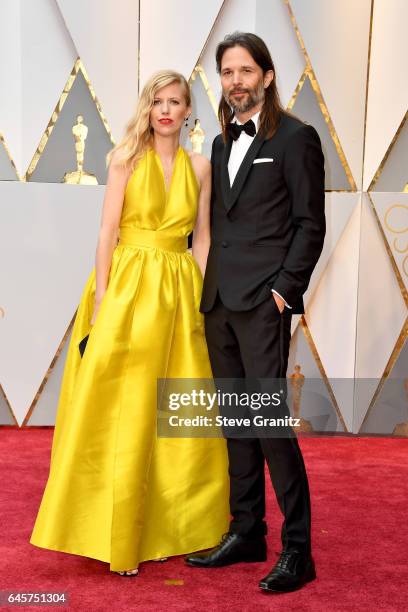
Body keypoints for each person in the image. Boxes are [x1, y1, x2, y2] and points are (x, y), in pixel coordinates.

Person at [30, 70, 230, 577]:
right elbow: (106, 232)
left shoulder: (202, 167)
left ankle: (174, 528)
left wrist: (210, 302)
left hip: (181, 292)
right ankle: (119, 534)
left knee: (178, 411)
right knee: (124, 413)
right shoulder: (123, 160)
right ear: (148, 108)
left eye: (176, 102)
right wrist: (100, 303)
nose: (166, 110)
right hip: (127, 288)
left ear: (189, 112)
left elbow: (201, 240)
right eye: (158, 101)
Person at [185, 32, 325, 594]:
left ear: (267, 76)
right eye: (227, 72)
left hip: (264, 304)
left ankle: (298, 550)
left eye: (246, 70)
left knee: (268, 425)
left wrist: (284, 291)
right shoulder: (219, 144)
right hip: (219, 301)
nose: (236, 81)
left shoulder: (297, 138)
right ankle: (246, 531)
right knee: (236, 424)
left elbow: (309, 224)